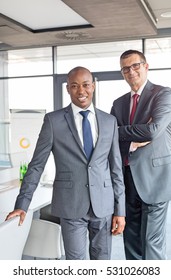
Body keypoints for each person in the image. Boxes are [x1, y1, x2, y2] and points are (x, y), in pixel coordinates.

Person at [6, 66, 125, 260]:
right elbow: (37, 165)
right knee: (75, 263)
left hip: (103, 205)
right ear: (68, 89)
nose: (81, 91)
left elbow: (116, 168)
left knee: (102, 259)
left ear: (93, 86)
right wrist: (22, 204)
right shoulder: (53, 121)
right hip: (71, 204)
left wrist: (120, 211)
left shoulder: (109, 121)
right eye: (74, 86)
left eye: (86, 85)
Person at [110, 49, 171, 260]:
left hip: (155, 180)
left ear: (146, 66)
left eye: (135, 65)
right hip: (127, 181)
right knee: (131, 240)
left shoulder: (163, 94)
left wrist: (120, 131)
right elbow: (110, 139)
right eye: (125, 68)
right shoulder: (118, 104)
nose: (131, 71)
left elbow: (153, 130)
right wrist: (132, 137)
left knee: (151, 242)